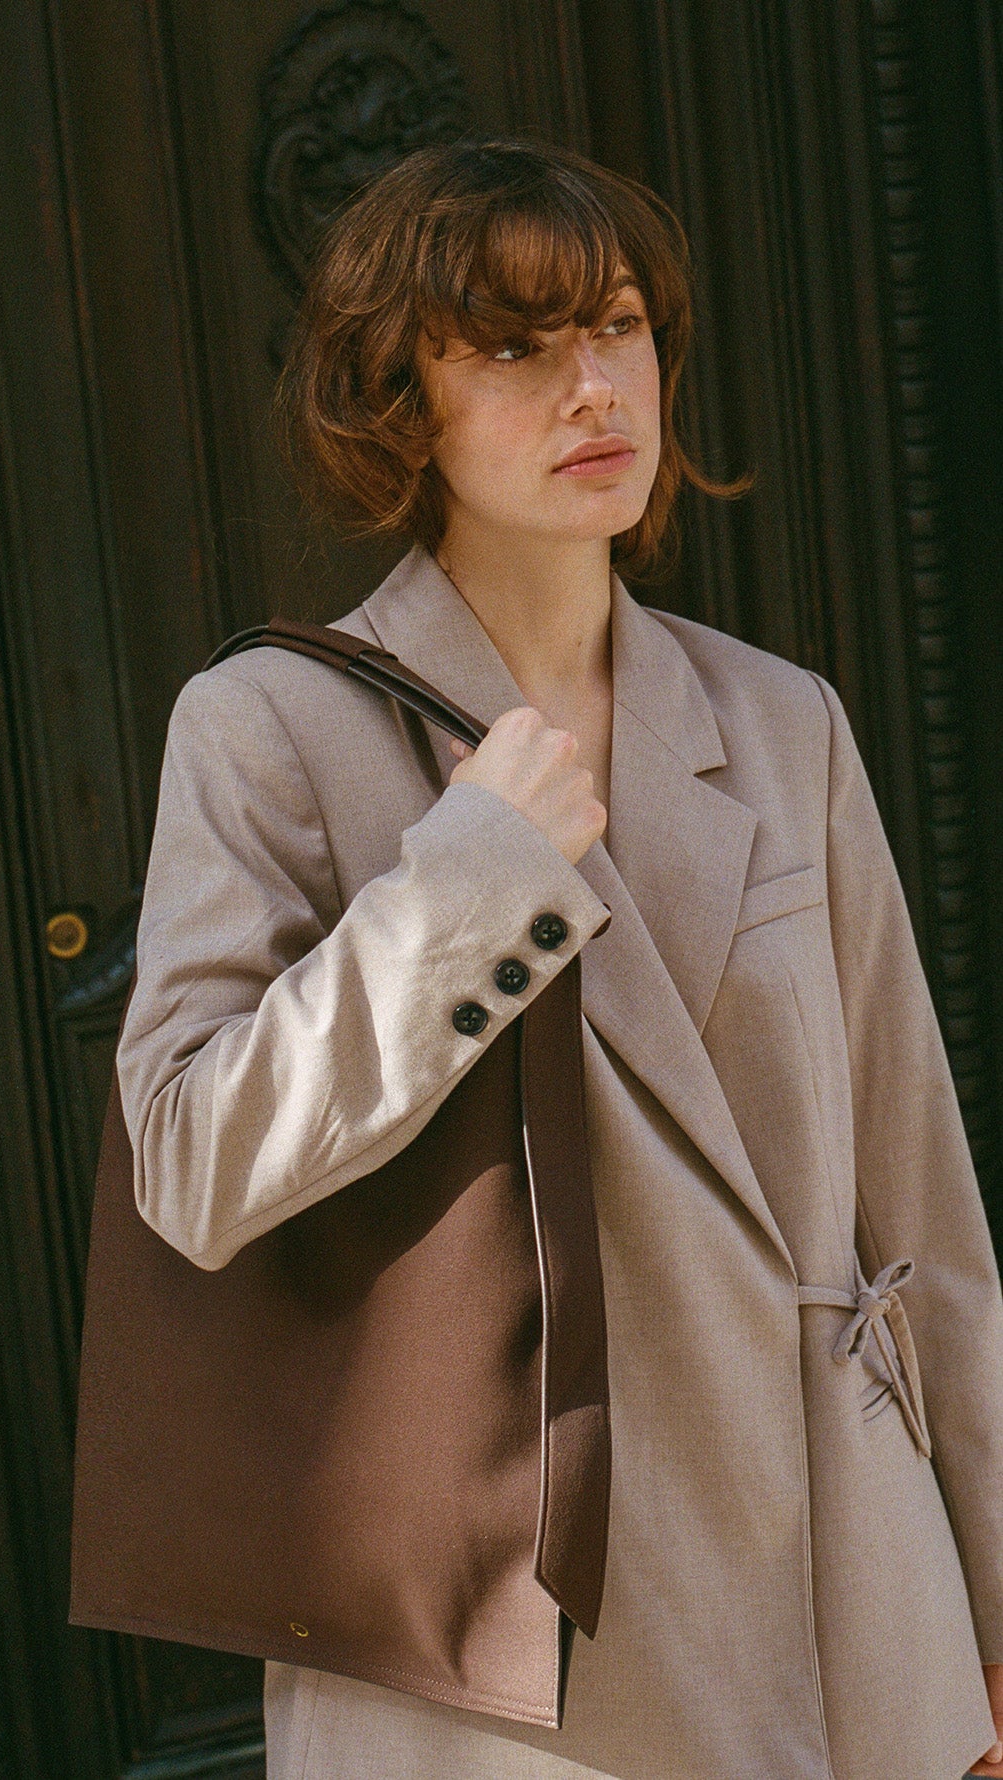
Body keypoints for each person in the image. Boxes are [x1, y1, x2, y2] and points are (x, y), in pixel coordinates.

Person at [111, 139, 1003, 1779]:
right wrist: (472, 884)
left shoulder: (779, 721)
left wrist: (993, 1613)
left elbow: (921, 1202)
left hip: (847, 1599)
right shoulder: (269, 728)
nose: (595, 385)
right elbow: (189, 1160)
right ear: (401, 406)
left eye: (619, 325)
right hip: (519, 1652)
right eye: (516, 346)